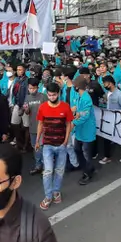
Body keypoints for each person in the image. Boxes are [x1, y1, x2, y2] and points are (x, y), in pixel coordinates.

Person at [35, 82, 73, 210]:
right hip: (47, 144)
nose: (52, 97)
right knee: (48, 171)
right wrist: (37, 141)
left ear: (58, 94)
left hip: (62, 144)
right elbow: (40, 124)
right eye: (50, 95)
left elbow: (68, 124)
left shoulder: (65, 107)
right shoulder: (43, 107)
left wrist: (66, 140)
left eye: (54, 95)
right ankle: (48, 196)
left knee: (59, 171)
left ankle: (56, 191)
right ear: (47, 94)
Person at [72, 76, 97, 186]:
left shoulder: (86, 98)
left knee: (86, 153)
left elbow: (85, 116)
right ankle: (87, 168)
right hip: (80, 130)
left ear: (77, 86)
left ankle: (88, 173)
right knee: (77, 149)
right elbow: (78, 111)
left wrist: (73, 123)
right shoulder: (79, 96)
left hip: (87, 129)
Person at [99, 75, 121, 164]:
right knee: (106, 137)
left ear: (110, 83)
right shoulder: (108, 93)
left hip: (118, 119)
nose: (104, 85)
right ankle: (107, 156)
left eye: (105, 83)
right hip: (109, 118)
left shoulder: (120, 94)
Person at [24, 79, 46, 174]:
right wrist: (26, 109)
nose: (31, 90)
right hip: (32, 125)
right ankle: (38, 166)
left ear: (37, 87)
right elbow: (27, 112)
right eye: (30, 88)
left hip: (42, 126)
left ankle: (45, 167)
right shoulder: (27, 98)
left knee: (42, 147)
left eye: (33, 88)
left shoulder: (43, 97)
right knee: (35, 147)